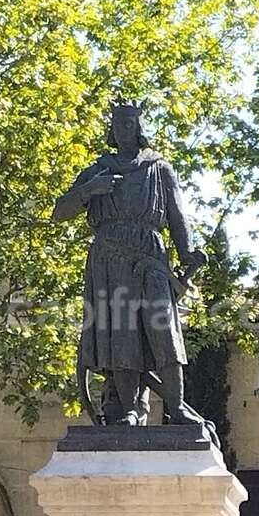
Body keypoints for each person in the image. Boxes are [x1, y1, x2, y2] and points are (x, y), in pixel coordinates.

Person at [52, 98, 202, 426]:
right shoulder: (97, 170)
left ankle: (176, 407)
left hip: (150, 257)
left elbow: (177, 217)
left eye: (129, 123)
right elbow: (59, 212)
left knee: (163, 331)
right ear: (111, 129)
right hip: (109, 260)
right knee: (122, 336)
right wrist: (90, 190)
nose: (122, 129)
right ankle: (131, 410)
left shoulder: (158, 168)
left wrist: (187, 254)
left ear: (138, 127)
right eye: (117, 124)